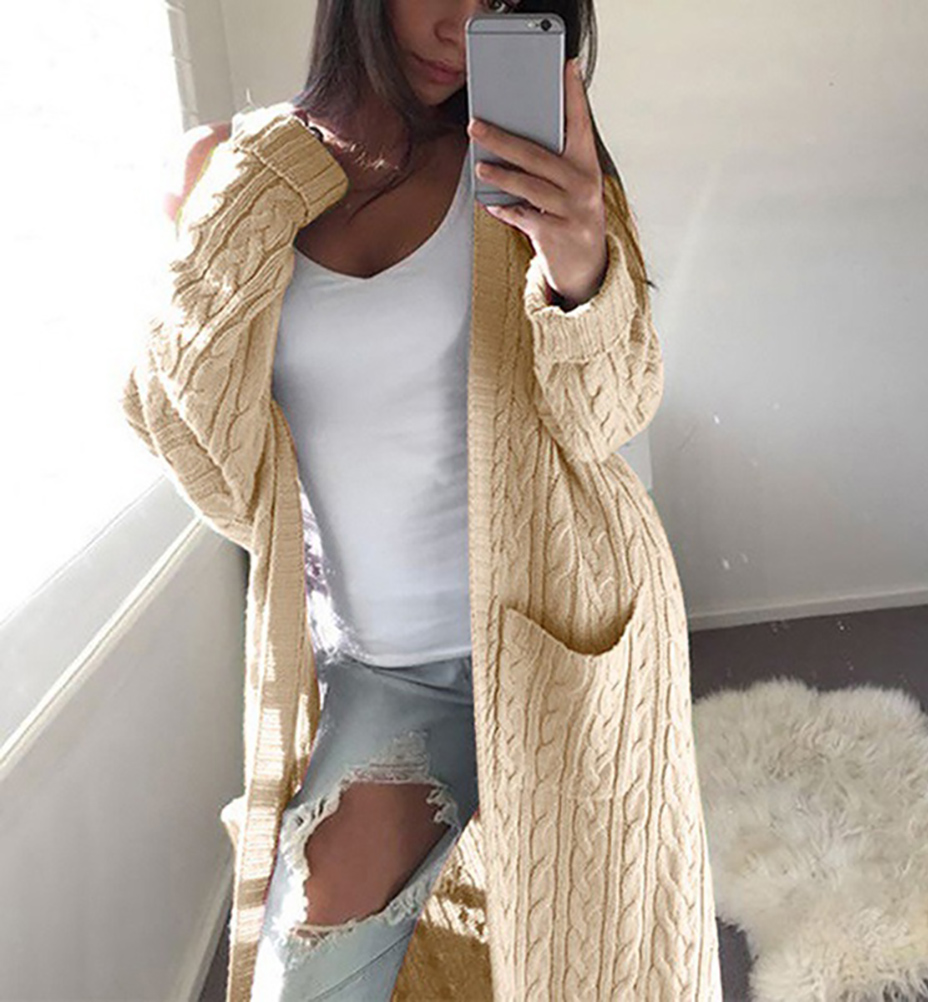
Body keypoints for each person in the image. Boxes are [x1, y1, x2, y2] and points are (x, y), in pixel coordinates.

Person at [139, 1, 722, 1000]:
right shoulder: (233, 173)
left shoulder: (532, 165)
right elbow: (200, 450)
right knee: (303, 977)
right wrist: (234, 214)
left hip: (569, 638)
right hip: (390, 672)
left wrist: (582, 266)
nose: (463, 24)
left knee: (599, 962)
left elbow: (609, 413)